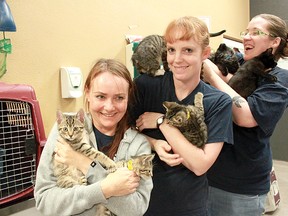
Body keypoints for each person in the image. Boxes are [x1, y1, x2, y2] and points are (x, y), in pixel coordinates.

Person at [132, 16, 233, 216]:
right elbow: (123, 134)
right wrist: (154, 143)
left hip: (188, 205)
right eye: (171, 50)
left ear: (205, 53)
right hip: (140, 202)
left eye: (188, 50)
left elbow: (199, 165)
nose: (177, 59)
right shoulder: (146, 85)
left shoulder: (218, 102)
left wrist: (163, 123)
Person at [34, 59, 153, 216]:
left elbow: (135, 209)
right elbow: (44, 201)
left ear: (128, 98)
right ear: (88, 93)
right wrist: (105, 188)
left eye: (119, 98)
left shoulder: (138, 146)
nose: (109, 107)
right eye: (101, 97)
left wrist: (85, 164)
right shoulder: (63, 130)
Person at [203, 14, 288, 216]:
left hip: (240, 184)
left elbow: (245, 117)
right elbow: (226, 76)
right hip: (207, 172)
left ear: (274, 42)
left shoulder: (279, 80)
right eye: (246, 32)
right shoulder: (240, 63)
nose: (246, 37)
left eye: (255, 32)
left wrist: (212, 77)